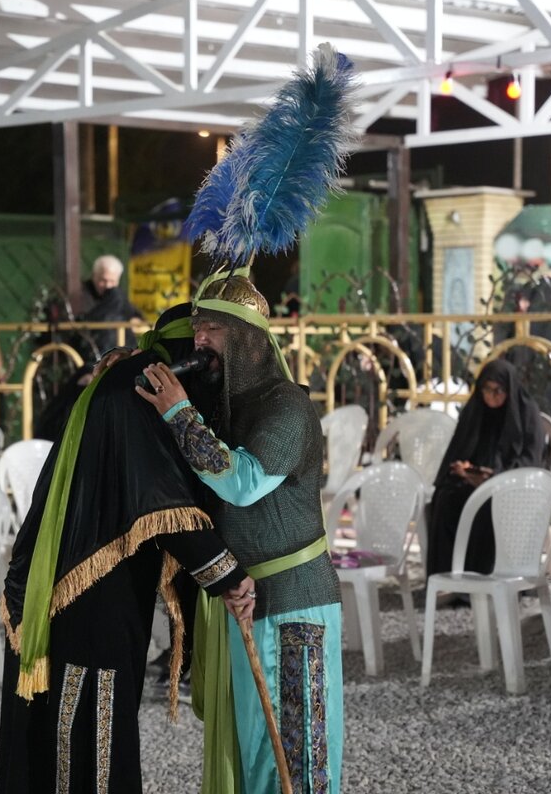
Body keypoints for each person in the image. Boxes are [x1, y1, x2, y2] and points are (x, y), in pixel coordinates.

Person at [0, 303, 251, 794]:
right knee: (93, 723)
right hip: (90, 593)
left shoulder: (128, 376)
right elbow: (164, 502)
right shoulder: (144, 387)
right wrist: (228, 576)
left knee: (51, 725)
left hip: (60, 576)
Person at [138, 272, 343, 794]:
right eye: (197, 328)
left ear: (249, 339)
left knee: (299, 754)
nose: (199, 339)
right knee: (256, 755)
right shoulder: (226, 407)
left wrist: (179, 413)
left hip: (295, 602)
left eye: (212, 329)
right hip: (245, 598)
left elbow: (243, 483)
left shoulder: (287, 406)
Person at [425, 359, 549, 579]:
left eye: (498, 390)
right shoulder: (476, 410)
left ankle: (480, 579)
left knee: (484, 506)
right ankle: (447, 578)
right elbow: (461, 450)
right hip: (475, 484)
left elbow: (530, 460)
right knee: (445, 498)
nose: (492, 396)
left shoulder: (525, 413)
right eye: (487, 389)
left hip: (511, 488)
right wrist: (465, 469)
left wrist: (496, 477)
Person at [78, 255, 144, 358]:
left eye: (112, 281)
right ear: (94, 276)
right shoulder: (82, 295)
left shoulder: (118, 298)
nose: (108, 286)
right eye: (103, 281)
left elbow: (137, 318)